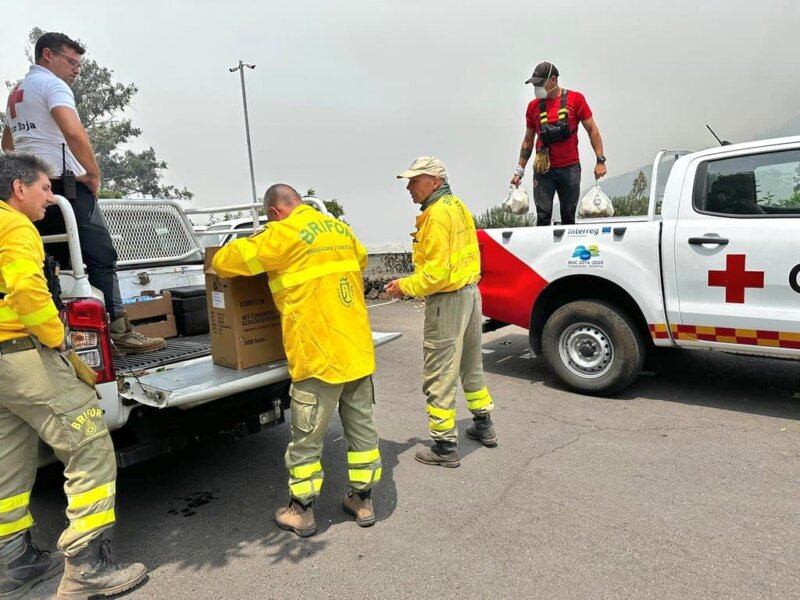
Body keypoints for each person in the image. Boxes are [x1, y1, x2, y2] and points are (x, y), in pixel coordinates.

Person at [0, 153, 146, 599]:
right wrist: (56, 335)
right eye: (45, 188)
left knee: (8, 464)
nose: (51, 197)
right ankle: (87, 569)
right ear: (19, 188)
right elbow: (26, 288)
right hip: (24, 355)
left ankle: (14, 565)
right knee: (90, 447)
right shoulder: (15, 225)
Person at [212, 184, 381, 537]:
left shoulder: (281, 234)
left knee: (306, 440)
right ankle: (363, 501)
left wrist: (261, 236)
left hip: (317, 357)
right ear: (299, 203)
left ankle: (301, 512)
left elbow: (222, 263)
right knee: (362, 432)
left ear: (274, 212)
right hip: (358, 353)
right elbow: (361, 259)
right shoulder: (339, 228)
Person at [1, 31, 164, 354]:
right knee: (102, 256)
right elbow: (72, 130)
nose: (76, 70)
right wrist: (93, 172)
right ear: (48, 55)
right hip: (67, 188)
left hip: (33, 191)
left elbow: (8, 145)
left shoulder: (17, 92)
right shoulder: (52, 85)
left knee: (53, 262)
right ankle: (119, 330)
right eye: (71, 62)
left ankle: (63, 330)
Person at [386, 156, 497, 468]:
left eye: (414, 180)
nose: (409, 187)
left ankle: (445, 446)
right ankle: (484, 424)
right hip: (470, 295)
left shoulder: (435, 215)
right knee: (471, 364)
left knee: (440, 373)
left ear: (435, 181)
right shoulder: (458, 206)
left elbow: (435, 276)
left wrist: (403, 286)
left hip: (447, 301)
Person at [510, 61, 607, 226]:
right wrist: (519, 170)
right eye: (535, 84)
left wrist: (600, 160)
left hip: (569, 169)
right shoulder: (533, 107)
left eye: (540, 83)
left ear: (553, 80)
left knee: (568, 215)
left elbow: (592, 130)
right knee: (543, 215)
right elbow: (528, 141)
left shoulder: (576, 99)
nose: (537, 87)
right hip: (543, 170)